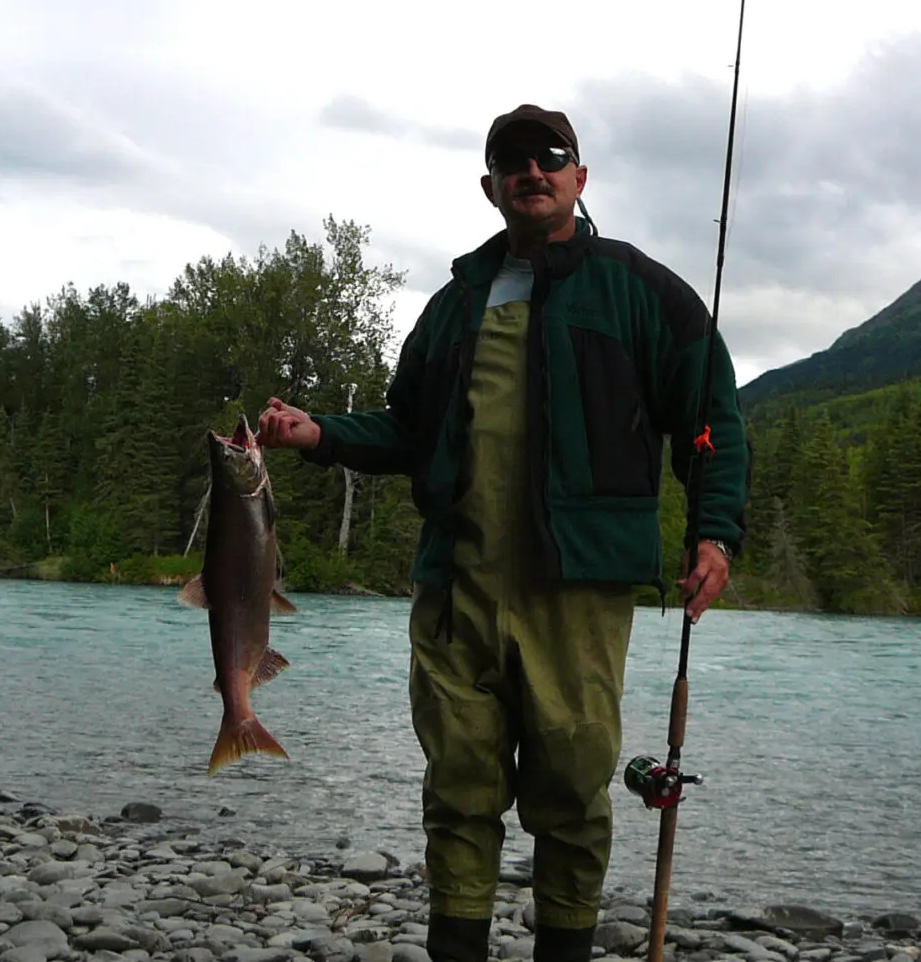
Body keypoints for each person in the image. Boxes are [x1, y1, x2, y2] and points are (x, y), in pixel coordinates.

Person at [258, 104, 751, 962]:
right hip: (457, 587)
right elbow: (406, 427)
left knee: (571, 792)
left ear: (579, 177)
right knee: (459, 788)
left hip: (579, 593)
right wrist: (318, 434)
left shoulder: (637, 289)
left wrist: (714, 532)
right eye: (512, 161)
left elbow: (710, 416)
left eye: (549, 157)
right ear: (490, 186)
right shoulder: (455, 304)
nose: (532, 170)